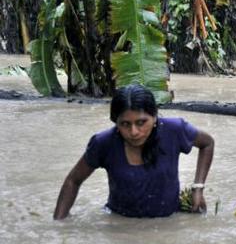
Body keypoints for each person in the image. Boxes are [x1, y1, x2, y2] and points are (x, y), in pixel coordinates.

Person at [53, 84, 214, 219]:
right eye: (125, 124)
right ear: (115, 122)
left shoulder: (174, 130)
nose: (134, 132)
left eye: (141, 122)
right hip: (119, 223)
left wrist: (198, 188)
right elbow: (72, 181)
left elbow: (207, 143)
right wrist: (59, 228)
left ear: (155, 117)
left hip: (169, 221)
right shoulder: (104, 143)